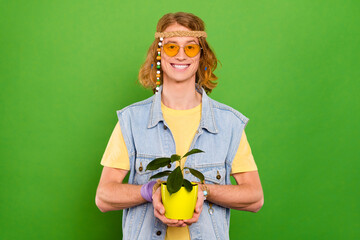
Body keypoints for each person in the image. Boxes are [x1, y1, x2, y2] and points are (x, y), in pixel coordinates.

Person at [95, 12, 264, 240]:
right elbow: (103, 196)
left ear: (201, 56)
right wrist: (150, 190)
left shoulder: (228, 123)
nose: (181, 56)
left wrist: (204, 190)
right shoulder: (132, 120)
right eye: (172, 47)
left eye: (191, 48)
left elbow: (254, 197)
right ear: (159, 53)